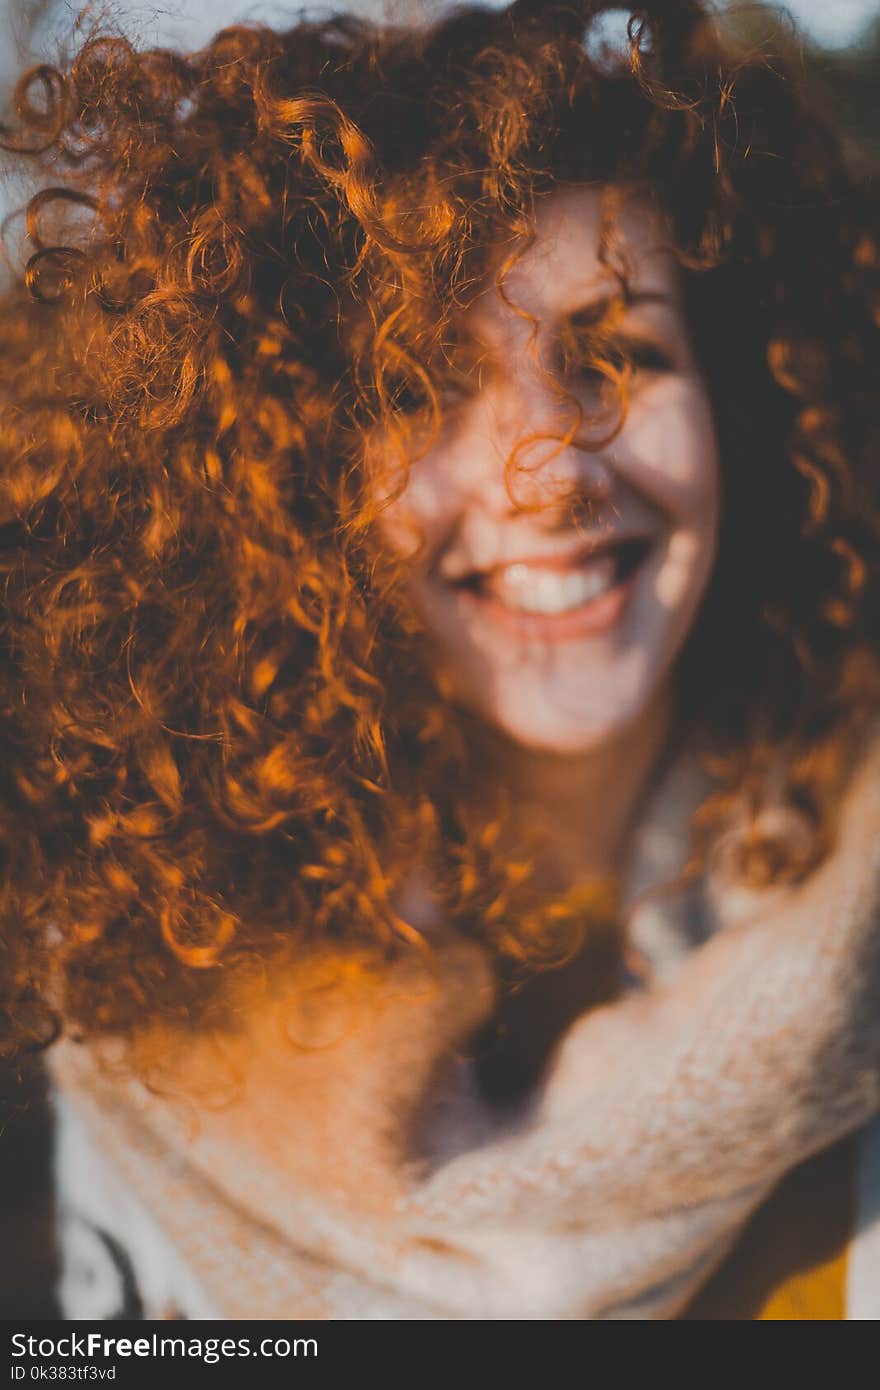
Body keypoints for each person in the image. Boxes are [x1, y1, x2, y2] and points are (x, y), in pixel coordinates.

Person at [1, 0, 879, 1319]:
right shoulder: (165, 1014)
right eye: (422, 387)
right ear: (279, 477)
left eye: (618, 354)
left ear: (750, 401)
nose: (551, 474)